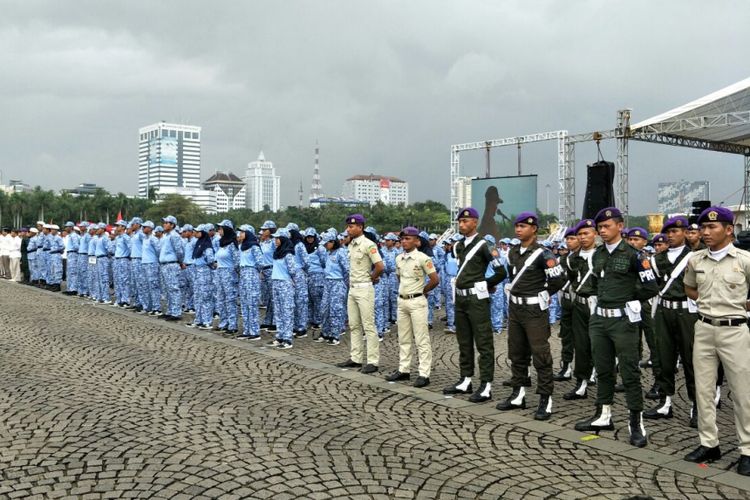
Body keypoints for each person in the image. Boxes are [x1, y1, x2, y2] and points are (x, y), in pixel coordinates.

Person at [574, 207, 659, 448]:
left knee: (630, 371)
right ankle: (603, 414)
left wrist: (629, 297)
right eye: (599, 227)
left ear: (620, 226)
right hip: (599, 320)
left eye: (606, 226)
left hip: (623, 321)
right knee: (602, 369)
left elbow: (651, 287)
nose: (602, 230)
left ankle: (636, 421)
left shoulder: (634, 255)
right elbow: (593, 283)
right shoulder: (598, 254)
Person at [683, 206, 750, 475]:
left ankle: (747, 449)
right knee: (704, 390)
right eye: (703, 228)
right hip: (704, 328)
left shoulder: (744, 260)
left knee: (743, 392)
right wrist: (708, 303)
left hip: (735, 331)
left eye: (712, 227)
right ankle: (709, 443)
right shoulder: (696, 260)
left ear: (729, 229)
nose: (705, 232)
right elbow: (689, 287)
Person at [496, 212, 566, 419]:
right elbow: (511, 276)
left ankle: (546, 397)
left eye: (523, 226)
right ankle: (518, 393)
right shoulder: (513, 252)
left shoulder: (544, 254)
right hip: (515, 309)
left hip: (534, 311)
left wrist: (545, 293)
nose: (518, 230)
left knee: (540, 354)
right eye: (516, 226)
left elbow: (558, 279)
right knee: (516, 352)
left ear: (534, 229)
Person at [443, 207, 506, 403]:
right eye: (460, 221)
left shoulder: (485, 245)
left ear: (475, 222)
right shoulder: (460, 246)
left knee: (483, 342)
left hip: (477, 300)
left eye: (466, 221)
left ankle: (486, 385)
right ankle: (465, 379)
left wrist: (485, 285)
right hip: (460, 298)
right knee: (464, 341)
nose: (462, 225)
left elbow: (500, 272)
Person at [643, 216, 698, 426]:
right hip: (664, 311)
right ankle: (665, 402)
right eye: (669, 232)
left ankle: (696, 406)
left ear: (685, 232)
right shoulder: (657, 259)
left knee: (691, 359)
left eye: (676, 231)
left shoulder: (695, 257)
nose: (672, 235)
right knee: (664, 358)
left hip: (687, 312)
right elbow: (650, 284)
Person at [385, 226, 439, 387]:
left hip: (417, 302)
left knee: (421, 339)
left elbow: (435, 279)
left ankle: (424, 373)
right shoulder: (398, 258)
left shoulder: (423, 258)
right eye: (402, 239)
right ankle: (404, 370)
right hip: (402, 301)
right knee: (403, 338)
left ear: (417, 241)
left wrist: (422, 291)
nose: (404, 241)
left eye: (408, 239)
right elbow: (399, 277)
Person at [336, 214, 384, 373]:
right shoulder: (351, 245)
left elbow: (379, 266)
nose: (348, 229)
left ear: (360, 227)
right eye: (348, 226)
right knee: (354, 325)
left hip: (364, 287)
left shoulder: (368, 244)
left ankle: (372, 361)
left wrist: (372, 278)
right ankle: (355, 358)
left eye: (351, 227)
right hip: (353, 287)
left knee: (368, 326)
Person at [563, 219, 598, 400]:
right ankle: (581, 383)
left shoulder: (602, 256)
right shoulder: (571, 259)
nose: (583, 237)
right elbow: (572, 279)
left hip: (598, 304)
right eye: (580, 234)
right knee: (581, 344)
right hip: (579, 304)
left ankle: (600, 377)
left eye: (587, 233)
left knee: (600, 345)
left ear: (595, 234)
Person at [627, 227, 661, 398]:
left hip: (645, 305)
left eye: (637, 239)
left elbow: (653, 286)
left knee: (654, 342)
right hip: (630, 307)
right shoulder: (625, 258)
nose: (633, 242)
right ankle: (633, 379)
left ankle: (658, 381)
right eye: (630, 239)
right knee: (632, 343)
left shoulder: (646, 260)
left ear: (644, 242)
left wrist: (636, 297)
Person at [554, 226, 580, 381]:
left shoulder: (583, 258)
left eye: (572, 238)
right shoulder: (561, 260)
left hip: (580, 302)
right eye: (567, 239)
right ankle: (566, 366)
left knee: (584, 337)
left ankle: (589, 369)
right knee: (566, 335)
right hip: (566, 301)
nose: (569, 242)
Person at [267, 227, 298, 349]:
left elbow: (293, 270)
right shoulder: (277, 252)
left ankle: (287, 338)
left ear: (283, 239)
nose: (275, 240)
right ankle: (280, 336)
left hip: (285, 283)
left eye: (277, 238)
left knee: (286, 311)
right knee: (278, 311)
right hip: (276, 282)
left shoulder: (288, 254)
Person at [319, 232, 350, 345]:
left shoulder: (341, 253)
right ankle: (326, 332)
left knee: (335, 309)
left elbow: (347, 270)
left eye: (326, 244)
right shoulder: (328, 253)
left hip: (338, 282)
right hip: (327, 282)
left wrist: (345, 284)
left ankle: (335, 335)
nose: (325, 246)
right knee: (324, 308)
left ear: (332, 242)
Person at [237, 225, 264, 340]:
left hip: (251, 273)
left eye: (242, 232)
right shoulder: (241, 246)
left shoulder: (254, 247)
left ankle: (254, 331)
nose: (240, 234)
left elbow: (260, 263)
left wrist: (253, 272)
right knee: (244, 303)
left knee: (252, 303)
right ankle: (247, 329)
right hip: (243, 274)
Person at [188, 225, 216, 330]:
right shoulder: (198, 243)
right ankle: (199, 319)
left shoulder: (207, 245)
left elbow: (210, 260)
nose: (195, 233)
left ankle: (207, 321)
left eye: (197, 231)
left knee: (205, 297)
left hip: (204, 272)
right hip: (197, 272)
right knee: (197, 297)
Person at [214, 220, 239, 333]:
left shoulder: (232, 244)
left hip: (229, 273)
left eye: (221, 228)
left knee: (230, 299)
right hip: (220, 272)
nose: (219, 230)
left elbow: (237, 261)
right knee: (221, 299)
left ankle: (232, 325)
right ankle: (224, 322)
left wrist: (236, 274)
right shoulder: (221, 243)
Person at [287, 223, 310, 338]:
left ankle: (301, 327)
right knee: (292, 301)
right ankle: (294, 325)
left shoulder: (300, 245)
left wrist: (302, 271)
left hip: (299, 274)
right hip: (289, 275)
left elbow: (306, 261)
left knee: (301, 301)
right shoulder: (288, 244)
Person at [305, 228, 326, 330]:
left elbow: (324, 261)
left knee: (317, 299)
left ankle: (318, 320)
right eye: (308, 237)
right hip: (308, 276)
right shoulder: (304, 248)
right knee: (309, 300)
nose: (309, 239)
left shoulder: (320, 248)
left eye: (311, 237)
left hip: (318, 275)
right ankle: (310, 319)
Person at [112, 220, 132, 307]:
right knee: (117, 280)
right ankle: (119, 299)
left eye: (118, 226)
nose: (116, 228)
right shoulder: (117, 238)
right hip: (117, 260)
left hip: (124, 259)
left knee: (124, 280)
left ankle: (125, 300)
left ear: (123, 227)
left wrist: (128, 257)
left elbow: (131, 248)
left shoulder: (126, 237)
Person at [62, 222, 80, 294]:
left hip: (73, 254)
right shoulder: (70, 236)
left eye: (67, 227)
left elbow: (76, 247)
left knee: (73, 272)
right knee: (69, 272)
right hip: (70, 254)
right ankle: (69, 288)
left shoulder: (74, 236)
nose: (66, 228)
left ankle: (73, 289)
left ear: (71, 227)